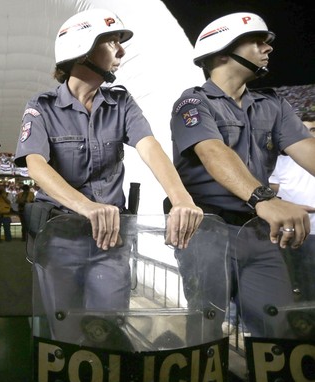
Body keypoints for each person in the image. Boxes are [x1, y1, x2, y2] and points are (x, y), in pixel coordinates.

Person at [14, 9, 203, 345]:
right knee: (64, 332)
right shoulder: (41, 106)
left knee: (108, 330)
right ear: (83, 49)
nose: (121, 50)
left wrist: (181, 199)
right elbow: (36, 165)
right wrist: (87, 206)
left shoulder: (121, 102)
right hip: (60, 240)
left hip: (110, 242)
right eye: (112, 41)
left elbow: (149, 147)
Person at [170, 12, 315, 337]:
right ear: (223, 52)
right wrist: (265, 198)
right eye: (257, 41)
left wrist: (264, 205)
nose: (268, 48)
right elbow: (212, 152)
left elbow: (308, 149)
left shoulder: (273, 104)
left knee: (277, 330)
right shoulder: (192, 103)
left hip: (258, 233)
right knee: (206, 329)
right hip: (207, 233)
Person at [269, 114, 315, 300]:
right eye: (303, 130)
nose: (309, 134)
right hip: (295, 233)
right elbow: (269, 187)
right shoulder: (281, 163)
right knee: (297, 284)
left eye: (313, 130)